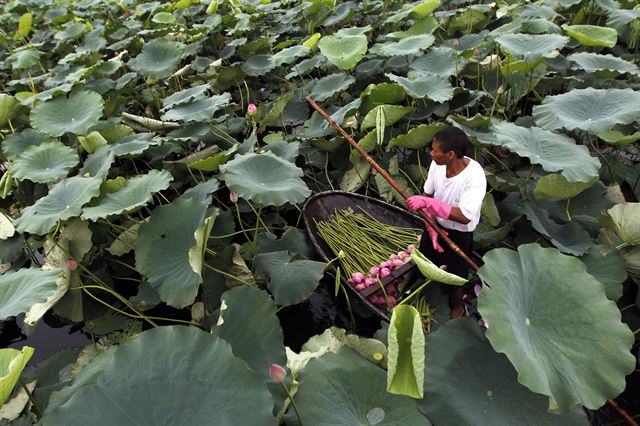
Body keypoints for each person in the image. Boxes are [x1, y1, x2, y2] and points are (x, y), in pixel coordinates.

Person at [406, 127, 486, 319]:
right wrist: (431, 226)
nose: (431, 153)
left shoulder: (474, 177)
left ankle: (458, 306)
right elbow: (427, 194)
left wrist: (430, 203)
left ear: (450, 155)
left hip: (460, 232)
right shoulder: (437, 165)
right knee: (424, 259)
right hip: (437, 224)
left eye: (435, 151)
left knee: (455, 276)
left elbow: (465, 216)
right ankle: (414, 293)